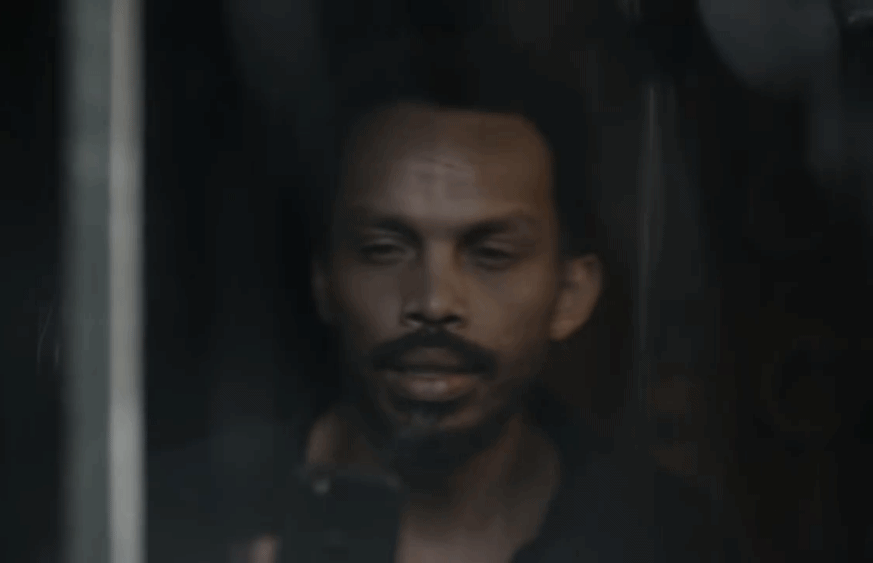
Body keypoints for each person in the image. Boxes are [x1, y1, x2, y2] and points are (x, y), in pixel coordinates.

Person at [148, 32, 739, 563]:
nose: (433, 302)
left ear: (570, 294)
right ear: (324, 280)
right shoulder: (175, 517)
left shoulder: (667, 542)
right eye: (384, 249)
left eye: (492, 255)